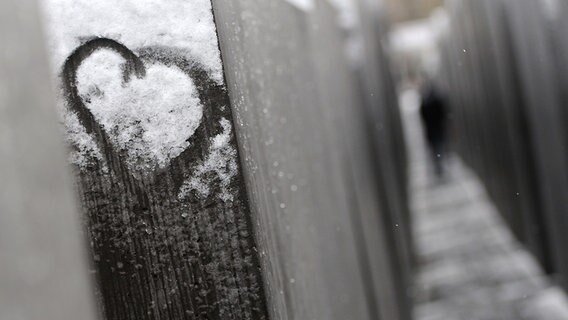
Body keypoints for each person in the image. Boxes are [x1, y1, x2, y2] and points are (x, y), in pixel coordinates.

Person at [420, 84, 449, 177]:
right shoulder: (437, 101)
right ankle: (440, 166)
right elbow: (443, 114)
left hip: (431, 131)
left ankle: (438, 166)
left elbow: (423, 117)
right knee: (439, 148)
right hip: (438, 129)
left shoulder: (425, 103)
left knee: (435, 150)